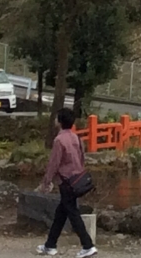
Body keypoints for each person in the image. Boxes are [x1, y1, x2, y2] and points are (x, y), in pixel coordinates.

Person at [36, 107, 97, 258]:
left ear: (60, 121)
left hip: (66, 182)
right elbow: (82, 157)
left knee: (72, 213)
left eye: (57, 118)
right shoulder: (76, 138)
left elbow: (54, 163)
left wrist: (46, 181)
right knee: (61, 214)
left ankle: (87, 245)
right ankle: (50, 245)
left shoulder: (59, 140)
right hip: (77, 179)